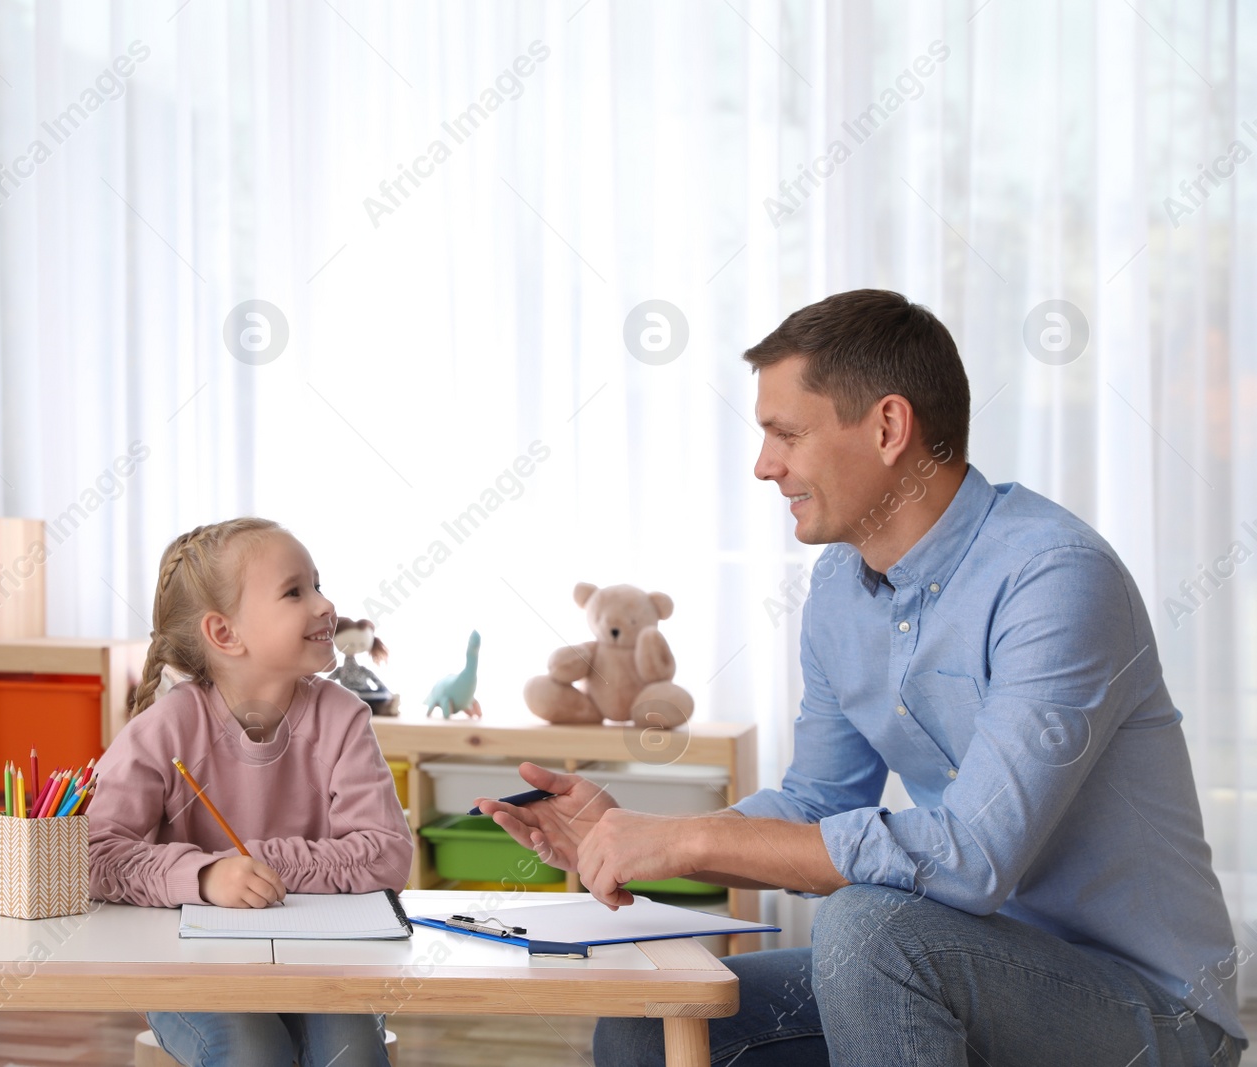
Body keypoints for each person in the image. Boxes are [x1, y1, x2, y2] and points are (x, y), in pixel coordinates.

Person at [480, 290, 1243, 1066]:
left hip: (1147, 1009)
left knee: (868, 926)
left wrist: (690, 835)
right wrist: (630, 834)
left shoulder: (1055, 577)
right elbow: (816, 805)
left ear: (887, 427)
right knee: (649, 1026)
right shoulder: (840, 586)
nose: (764, 464)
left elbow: (970, 857)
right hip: (954, 962)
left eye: (786, 433)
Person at [88, 518, 413, 1067]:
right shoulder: (165, 727)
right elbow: (93, 854)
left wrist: (258, 864)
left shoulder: (343, 718)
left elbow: (387, 854)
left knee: (351, 1051)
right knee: (252, 1049)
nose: (324, 605)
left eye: (317, 584)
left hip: (323, 959)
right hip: (194, 965)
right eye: (295, 592)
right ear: (224, 634)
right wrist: (205, 876)